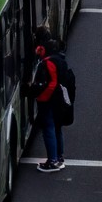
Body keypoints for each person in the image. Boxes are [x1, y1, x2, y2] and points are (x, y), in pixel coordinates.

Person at [29, 32, 70, 172]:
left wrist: (41, 98)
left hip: (50, 102)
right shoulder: (60, 59)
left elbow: (51, 84)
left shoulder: (49, 63)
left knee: (48, 129)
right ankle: (59, 157)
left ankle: (52, 160)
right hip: (60, 101)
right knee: (57, 128)